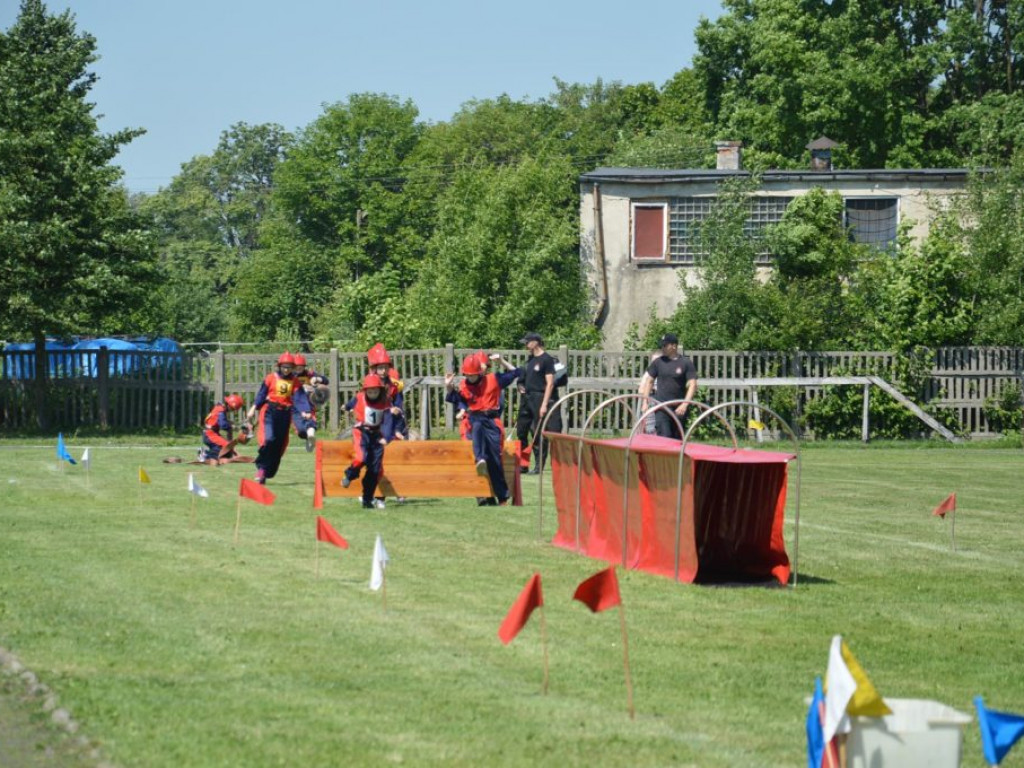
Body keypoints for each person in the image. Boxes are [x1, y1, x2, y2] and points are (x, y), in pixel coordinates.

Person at [445, 353, 521, 505]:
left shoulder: (494, 379)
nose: (470, 378)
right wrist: (448, 386)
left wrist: (502, 361)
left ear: (479, 372)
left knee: (494, 459)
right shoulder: (464, 385)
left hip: (492, 420)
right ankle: (480, 460)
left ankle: (503, 497)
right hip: (475, 419)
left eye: (473, 375)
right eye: (467, 375)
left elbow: (516, 373)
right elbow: (457, 401)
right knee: (477, 426)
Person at [339, 373, 394, 509]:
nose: (373, 393)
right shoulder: (359, 397)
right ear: (365, 391)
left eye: (375, 391)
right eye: (370, 391)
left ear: (380, 390)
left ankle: (367, 499)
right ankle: (349, 475)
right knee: (361, 457)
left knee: (375, 469)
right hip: (361, 432)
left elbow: (388, 421)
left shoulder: (385, 401)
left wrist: (386, 437)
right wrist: (345, 407)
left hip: (377, 435)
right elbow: (350, 404)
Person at [249, 352, 304, 484]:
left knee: (278, 446)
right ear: (279, 366)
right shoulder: (270, 378)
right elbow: (262, 394)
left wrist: (305, 411)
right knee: (269, 439)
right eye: (284, 366)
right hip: (270, 412)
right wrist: (253, 408)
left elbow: (300, 398)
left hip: (284, 415)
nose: (286, 369)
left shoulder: (295, 382)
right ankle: (261, 467)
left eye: (289, 367)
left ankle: (265, 472)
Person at [514, 332, 564, 474]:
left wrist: (544, 405)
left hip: (541, 398)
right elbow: (524, 378)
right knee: (522, 431)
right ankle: (523, 464)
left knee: (537, 432)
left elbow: (550, 384)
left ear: (535, 342)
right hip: (527, 399)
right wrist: (521, 387)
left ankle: (539, 466)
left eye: (527, 342)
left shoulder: (547, 360)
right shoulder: (530, 360)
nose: (525, 345)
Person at [638, 333, 698, 440]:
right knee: (664, 436)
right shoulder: (658, 362)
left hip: (679, 408)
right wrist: (645, 402)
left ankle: (677, 456)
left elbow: (692, 385)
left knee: (677, 438)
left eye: (665, 345)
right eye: (662, 345)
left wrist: (685, 404)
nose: (662, 348)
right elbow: (649, 381)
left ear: (674, 346)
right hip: (662, 406)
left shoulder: (686, 363)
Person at [366, 343, 408, 441]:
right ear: (374, 369)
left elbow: (399, 404)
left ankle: (398, 432)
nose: (384, 371)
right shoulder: (369, 385)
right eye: (380, 368)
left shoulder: (394, 385)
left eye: (386, 368)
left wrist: (397, 409)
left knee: (398, 415)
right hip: (374, 418)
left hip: (392, 419)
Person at [199, 393, 249, 464]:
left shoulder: (220, 408)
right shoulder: (221, 411)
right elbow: (223, 425)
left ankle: (208, 453)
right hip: (209, 434)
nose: (232, 411)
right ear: (230, 405)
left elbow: (219, 420)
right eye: (233, 409)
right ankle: (205, 455)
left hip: (211, 433)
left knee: (227, 449)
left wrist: (230, 423)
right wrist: (233, 427)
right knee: (225, 448)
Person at [292, 353, 328, 452]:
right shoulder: (291, 377)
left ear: (304, 367)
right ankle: (308, 437)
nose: (299, 369)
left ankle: (311, 435)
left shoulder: (309, 374)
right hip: (296, 407)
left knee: (311, 422)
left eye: (301, 367)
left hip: (309, 405)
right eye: (296, 367)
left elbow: (326, 380)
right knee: (300, 430)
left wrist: (317, 379)